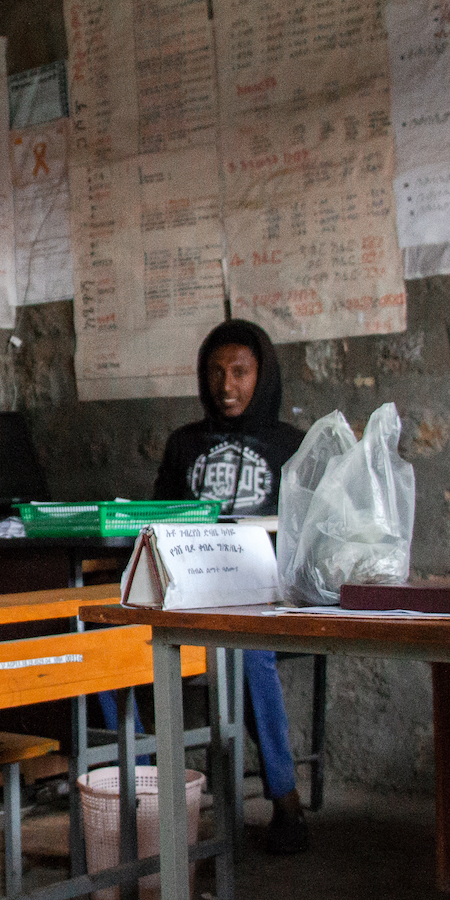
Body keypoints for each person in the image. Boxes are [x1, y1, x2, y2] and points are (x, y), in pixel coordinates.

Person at [153, 318, 310, 853]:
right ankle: (144, 793)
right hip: (192, 596)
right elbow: (160, 521)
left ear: (261, 375)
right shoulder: (184, 444)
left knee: (245, 653)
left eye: (240, 372)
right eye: (216, 372)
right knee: (109, 641)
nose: (227, 385)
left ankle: (285, 801)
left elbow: (312, 536)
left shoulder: (293, 445)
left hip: (266, 602)